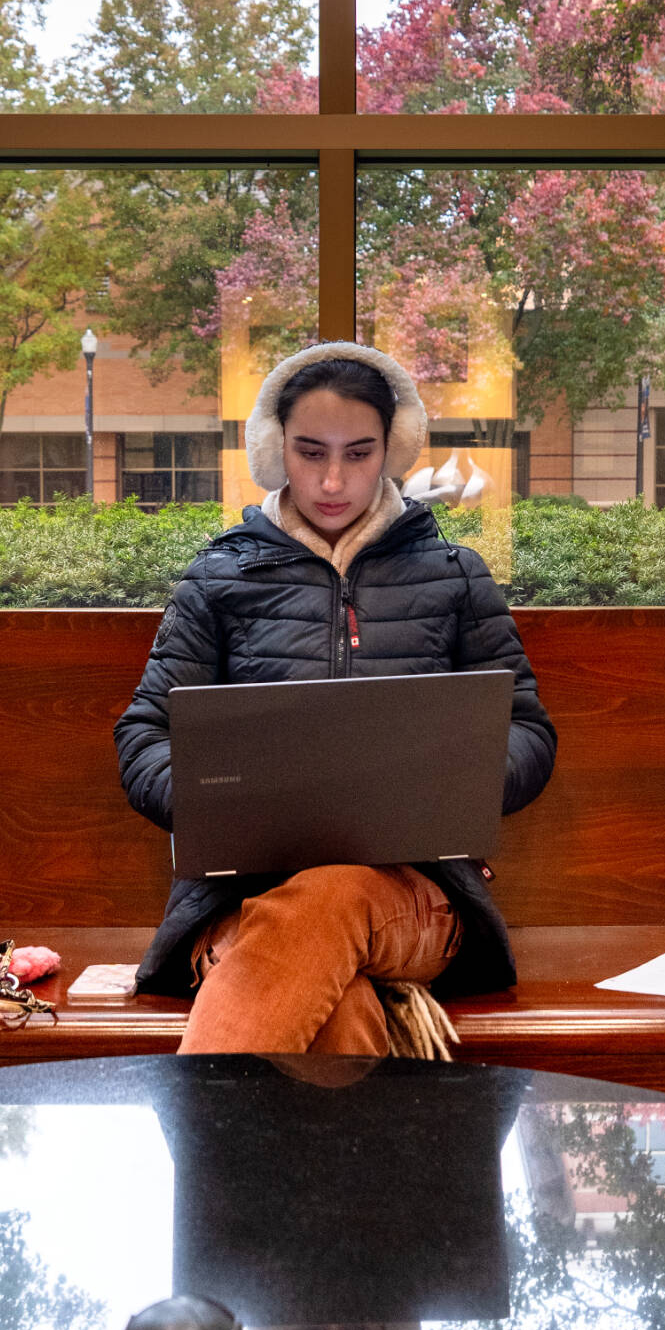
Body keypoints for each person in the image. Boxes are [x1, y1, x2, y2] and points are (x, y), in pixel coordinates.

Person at [114, 340, 556, 1055]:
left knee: (334, 897)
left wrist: (449, 781)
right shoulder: (217, 577)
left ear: (392, 449)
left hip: (414, 896)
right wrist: (222, 797)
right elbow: (144, 737)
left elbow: (529, 732)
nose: (331, 478)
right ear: (274, 448)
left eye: (358, 452)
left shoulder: (456, 576)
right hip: (242, 899)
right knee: (339, 1009)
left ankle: (202, 1154)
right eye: (310, 451)